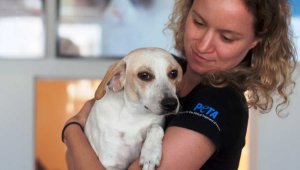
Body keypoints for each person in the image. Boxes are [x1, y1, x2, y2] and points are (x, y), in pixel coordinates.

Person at [61, 0, 297, 169]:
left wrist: (72, 129)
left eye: (226, 37)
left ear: (255, 42)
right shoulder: (173, 69)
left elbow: (77, 153)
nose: (203, 46)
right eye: (199, 22)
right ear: (187, 10)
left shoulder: (221, 101)